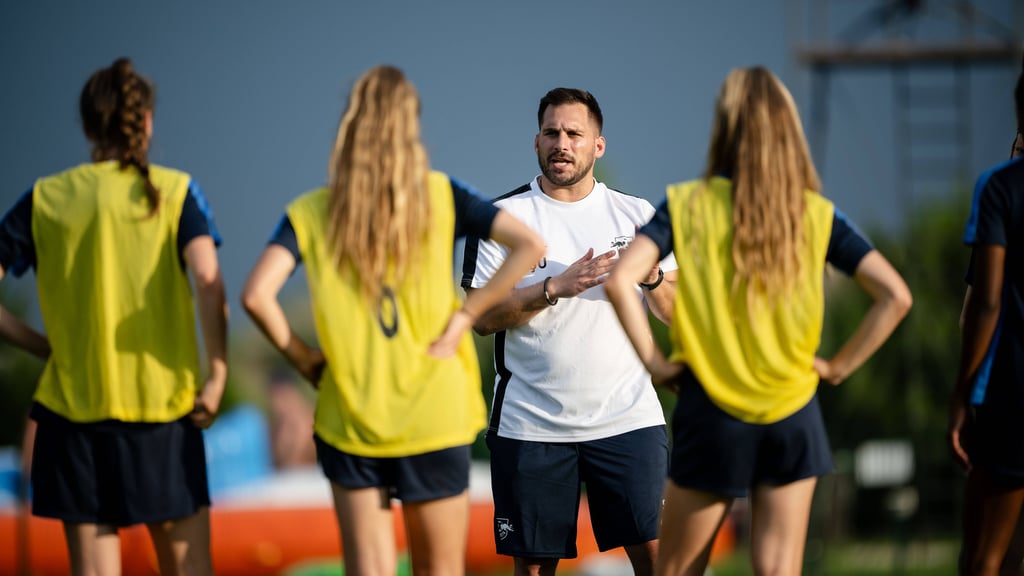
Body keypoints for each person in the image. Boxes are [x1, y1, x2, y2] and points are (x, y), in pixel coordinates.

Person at [605, 66, 912, 576]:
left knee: (677, 570)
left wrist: (658, 365)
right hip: (793, 412)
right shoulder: (815, 213)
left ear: (724, 127)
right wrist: (836, 368)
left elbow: (621, 280)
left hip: (713, 411)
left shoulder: (689, 205)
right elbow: (895, 295)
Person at [240, 65, 544, 576]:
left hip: (351, 414)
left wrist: (304, 359)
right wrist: (465, 315)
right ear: (411, 129)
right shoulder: (441, 194)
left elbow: (256, 296)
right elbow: (530, 244)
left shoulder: (312, 210)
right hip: (434, 412)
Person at [0, 57, 227, 576]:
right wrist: (217, 374)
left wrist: (38, 344)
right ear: (145, 122)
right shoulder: (176, 191)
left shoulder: (45, 199)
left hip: (73, 419)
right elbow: (210, 283)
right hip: (163, 417)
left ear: (86, 126)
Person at [461, 87, 677, 576]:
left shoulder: (640, 215)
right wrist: (552, 288)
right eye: (552, 132)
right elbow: (480, 317)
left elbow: (678, 314)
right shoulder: (501, 219)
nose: (562, 143)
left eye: (574, 134)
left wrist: (652, 277)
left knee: (661, 560)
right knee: (535, 569)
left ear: (597, 145)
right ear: (536, 141)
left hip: (628, 419)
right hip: (531, 424)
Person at [950, 62, 1024, 576]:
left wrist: (962, 392)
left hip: (1012, 392)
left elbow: (986, 302)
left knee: (984, 555)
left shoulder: (1000, 188)